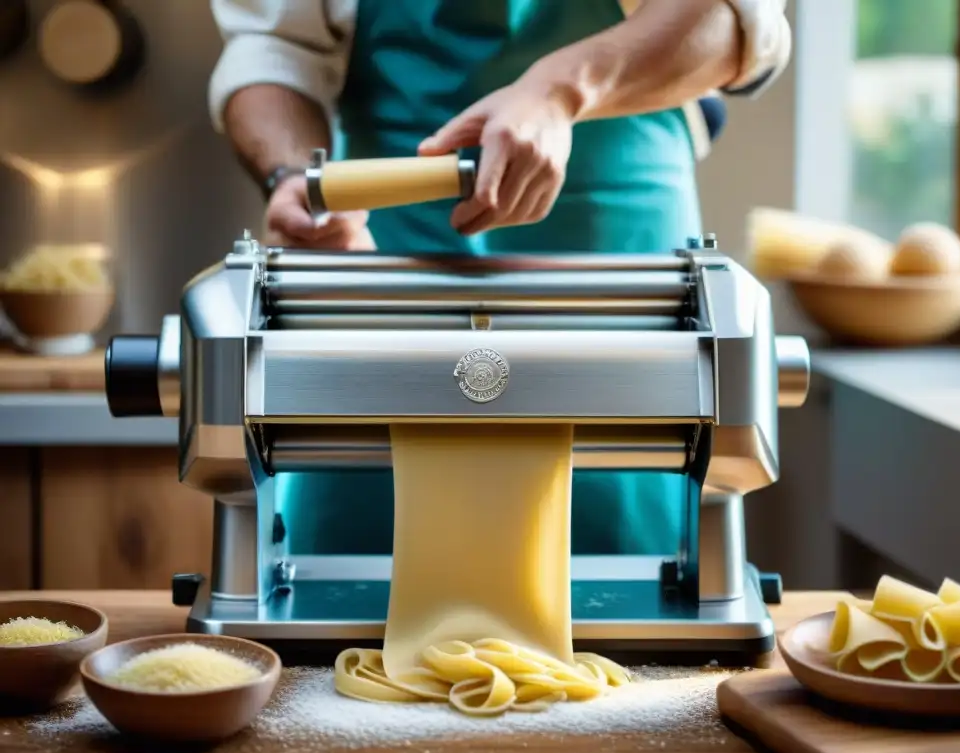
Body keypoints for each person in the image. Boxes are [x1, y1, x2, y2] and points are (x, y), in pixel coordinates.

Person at [208, 0, 791, 559]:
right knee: (357, 554)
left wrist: (558, 90)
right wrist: (293, 176)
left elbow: (732, 15)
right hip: (384, 257)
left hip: (615, 255)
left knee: (626, 546)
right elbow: (274, 46)